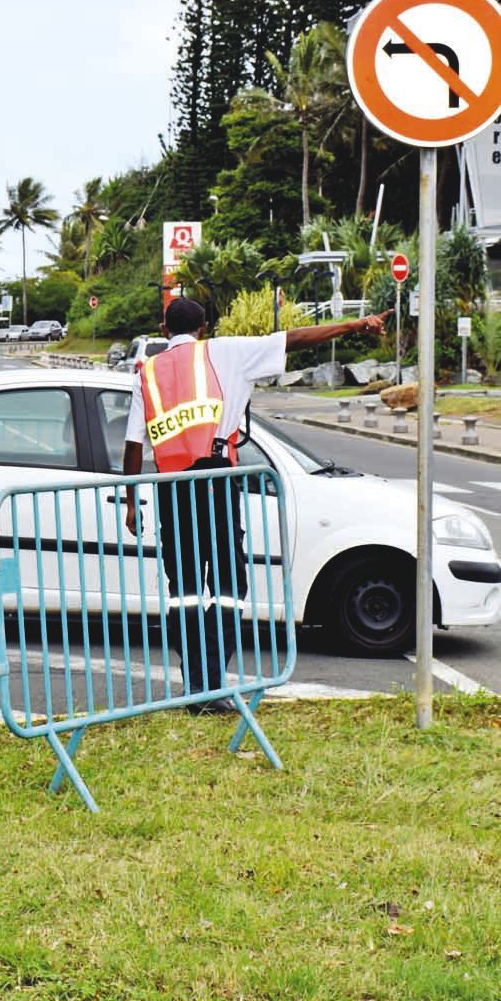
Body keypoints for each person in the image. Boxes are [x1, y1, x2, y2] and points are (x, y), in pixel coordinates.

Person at [122, 294, 387, 703]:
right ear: (204, 329)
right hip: (217, 484)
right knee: (229, 586)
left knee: (184, 591)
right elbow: (294, 339)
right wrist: (354, 325)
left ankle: (197, 683)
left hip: (171, 492)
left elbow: (132, 446)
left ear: (163, 331)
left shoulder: (148, 372)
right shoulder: (226, 352)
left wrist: (128, 501)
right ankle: (212, 682)